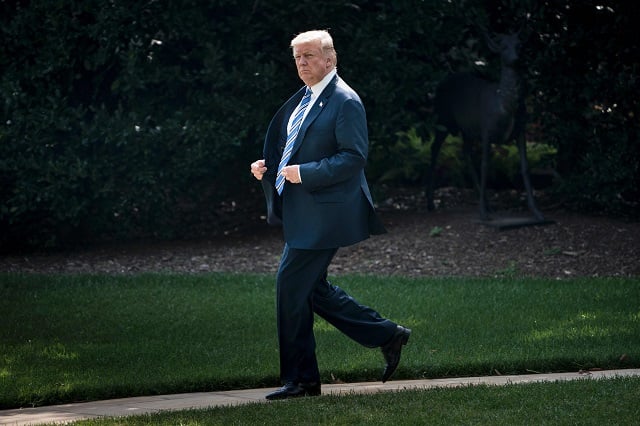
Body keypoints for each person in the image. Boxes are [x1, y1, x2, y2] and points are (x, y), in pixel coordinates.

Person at [250, 29, 411, 401]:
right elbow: (297, 147)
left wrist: (304, 173)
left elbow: (353, 158)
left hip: (327, 214)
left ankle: (301, 381)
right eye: (297, 58)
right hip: (304, 212)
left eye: (309, 56)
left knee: (290, 288)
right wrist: (270, 165)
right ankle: (386, 334)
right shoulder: (305, 98)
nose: (302, 63)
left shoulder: (345, 100)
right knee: (311, 290)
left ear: (330, 59)